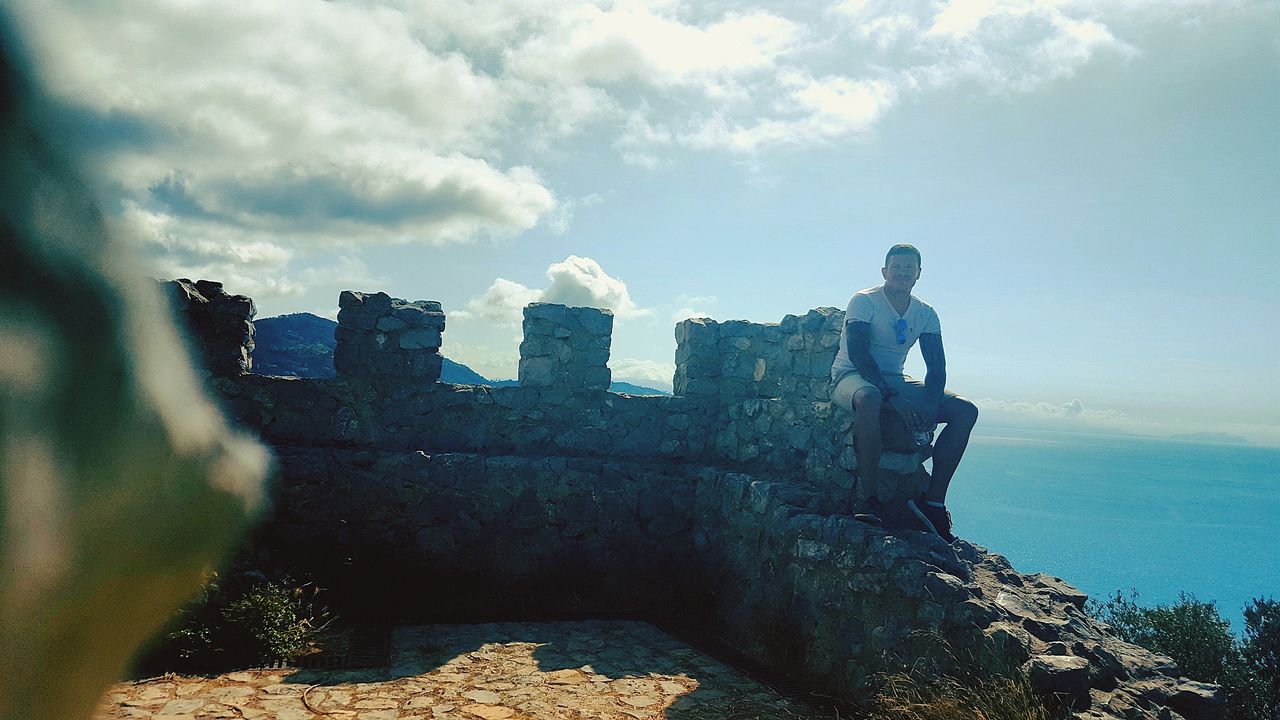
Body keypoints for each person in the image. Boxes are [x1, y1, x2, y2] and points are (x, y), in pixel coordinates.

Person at [829, 244, 978, 542]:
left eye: (909, 268)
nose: (902, 272)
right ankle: (869, 499)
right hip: (851, 376)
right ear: (884, 271)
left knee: (965, 411)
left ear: (919, 274)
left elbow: (936, 367)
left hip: (895, 379)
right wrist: (894, 399)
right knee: (869, 398)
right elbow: (859, 355)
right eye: (896, 267)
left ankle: (933, 503)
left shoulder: (925, 313)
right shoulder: (865, 300)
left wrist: (931, 405)